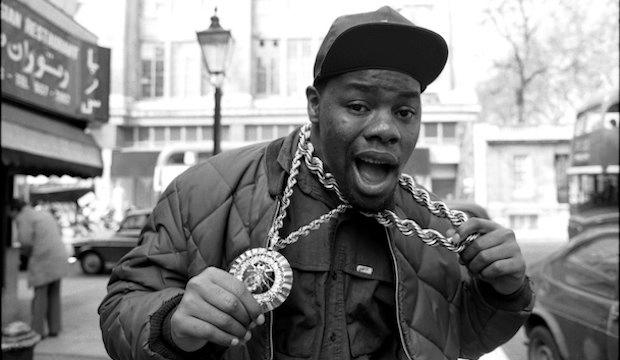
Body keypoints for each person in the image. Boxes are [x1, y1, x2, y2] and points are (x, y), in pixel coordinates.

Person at [99, 6, 533, 360]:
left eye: (405, 112)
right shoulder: (206, 192)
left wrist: (505, 290)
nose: (386, 129)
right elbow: (122, 307)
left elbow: (460, 338)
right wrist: (171, 323)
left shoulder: (432, 226)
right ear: (314, 105)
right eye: (360, 105)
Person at [9, 198, 69, 338]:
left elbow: (25, 242)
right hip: (59, 257)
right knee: (54, 294)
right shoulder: (42, 213)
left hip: (43, 260)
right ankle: (54, 329)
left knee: (40, 296)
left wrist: (24, 255)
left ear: (13, 210)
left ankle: (37, 331)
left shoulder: (23, 217)